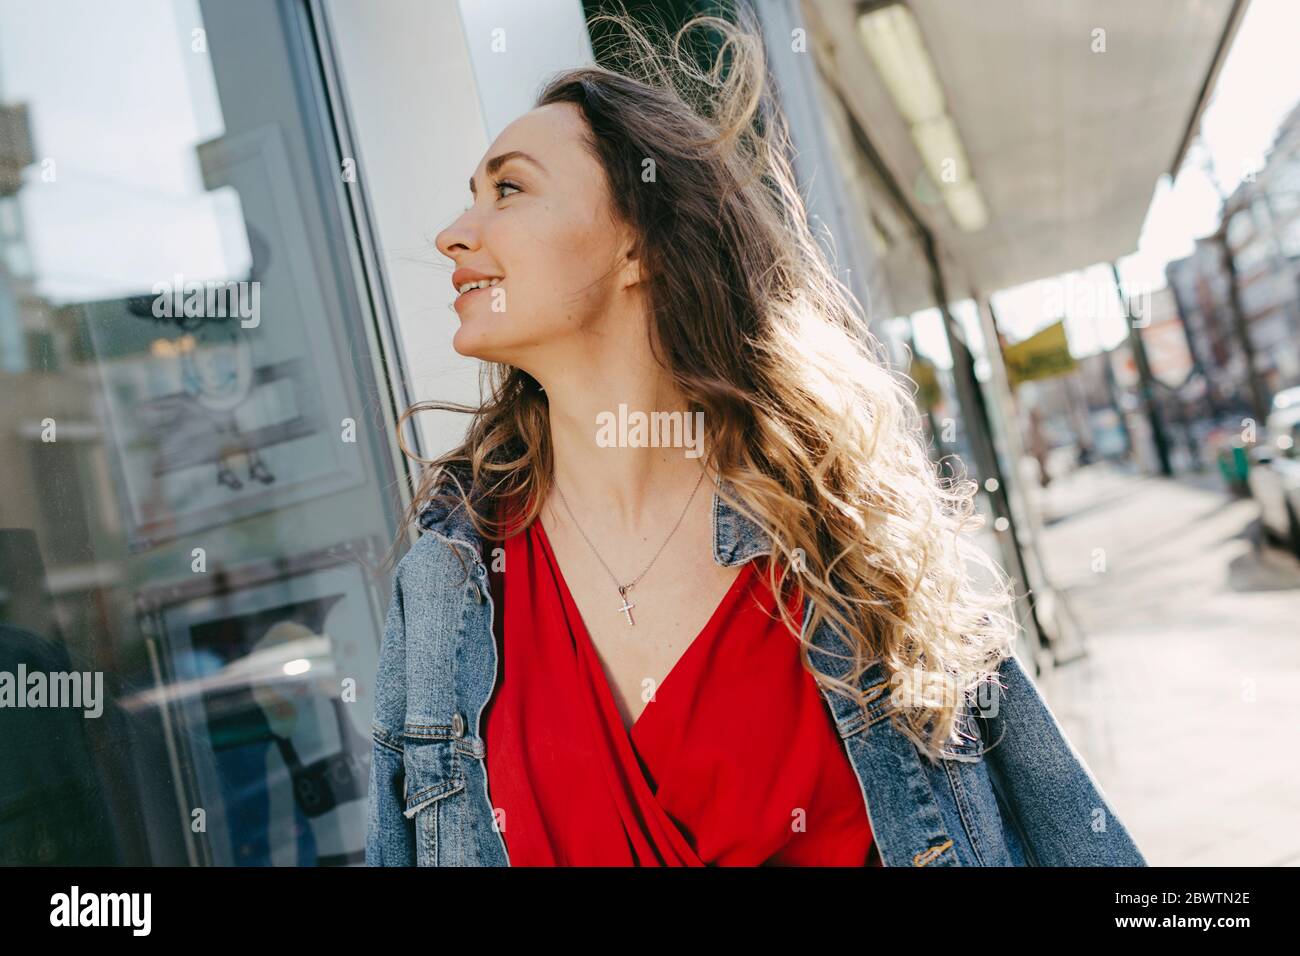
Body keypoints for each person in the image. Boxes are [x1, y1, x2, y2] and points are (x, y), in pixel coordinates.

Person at [366, 8, 1146, 867]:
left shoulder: (836, 518)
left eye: (507, 189)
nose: (453, 233)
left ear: (638, 244)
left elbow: (1066, 831)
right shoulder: (448, 579)